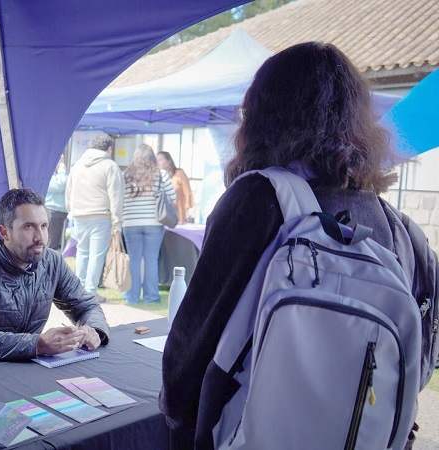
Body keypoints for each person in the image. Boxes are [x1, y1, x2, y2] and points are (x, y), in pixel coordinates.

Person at [159, 42, 433, 448]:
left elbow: (193, 342)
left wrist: (177, 416)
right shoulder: (398, 228)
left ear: (262, 116)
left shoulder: (259, 198)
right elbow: (420, 362)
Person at [0, 188, 109, 361]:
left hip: (29, 367)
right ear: (4, 232)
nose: (40, 237)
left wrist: (93, 329)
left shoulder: (52, 261)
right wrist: (36, 344)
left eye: (44, 226)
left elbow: (87, 306)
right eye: (28, 227)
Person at [65, 133, 124, 302]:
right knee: (96, 255)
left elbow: (68, 192)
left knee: (82, 252)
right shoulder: (110, 166)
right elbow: (116, 197)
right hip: (101, 215)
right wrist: (117, 222)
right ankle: (90, 292)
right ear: (109, 149)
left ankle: (78, 291)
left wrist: (72, 210)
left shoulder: (77, 165)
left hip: (79, 215)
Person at [121, 144, 176, 304]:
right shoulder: (161, 174)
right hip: (154, 222)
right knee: (151, 259)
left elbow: (120, 198)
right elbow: (173, 197)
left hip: (130, 222)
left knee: (134, 259)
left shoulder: (125, 175)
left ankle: (131, 297)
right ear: (152, 158)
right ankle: (151, 297)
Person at [156, 151, 193, 224]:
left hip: (178, 216)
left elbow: (187, 192)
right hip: (161, 217)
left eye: (160, 160)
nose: (157, 163)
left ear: (169, 161)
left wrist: (187, 210)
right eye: (156, 160)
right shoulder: (156, 176)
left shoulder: (179, 173)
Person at [45, 156, 68, 251]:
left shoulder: (57, 175)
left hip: (60, 212)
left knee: (57, 244)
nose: (62, 163)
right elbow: (60, 186)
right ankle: (46, 264)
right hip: (53, 212)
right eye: (60, 160)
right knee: (51, 244)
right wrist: (62, 171)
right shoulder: (48, 174)